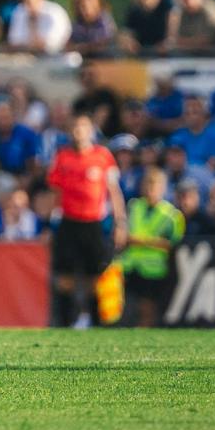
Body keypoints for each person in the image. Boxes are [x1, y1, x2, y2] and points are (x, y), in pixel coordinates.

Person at [46, 114, 127, 328]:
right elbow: (53, 191)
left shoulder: (103, 156)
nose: (78, 131)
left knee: (95, 275)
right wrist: (48, 221)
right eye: (74, 127)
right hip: (68, 222)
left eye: (83, 126)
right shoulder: (62, 157)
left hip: (94, 223)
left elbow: (114, 191)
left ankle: (95, 321)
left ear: (91, 130)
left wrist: (120, 222)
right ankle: (64, 322)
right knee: (65, 277)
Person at [121, 168, 185, 327]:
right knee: (125, 306)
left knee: (147, 308)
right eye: (147, 184)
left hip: (154, 269)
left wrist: (141, 241)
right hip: (130, 265)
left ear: (163, 187)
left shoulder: (171, 215)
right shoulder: (133, 206)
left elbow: (172, 243)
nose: (150, 189)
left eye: (154, 185)